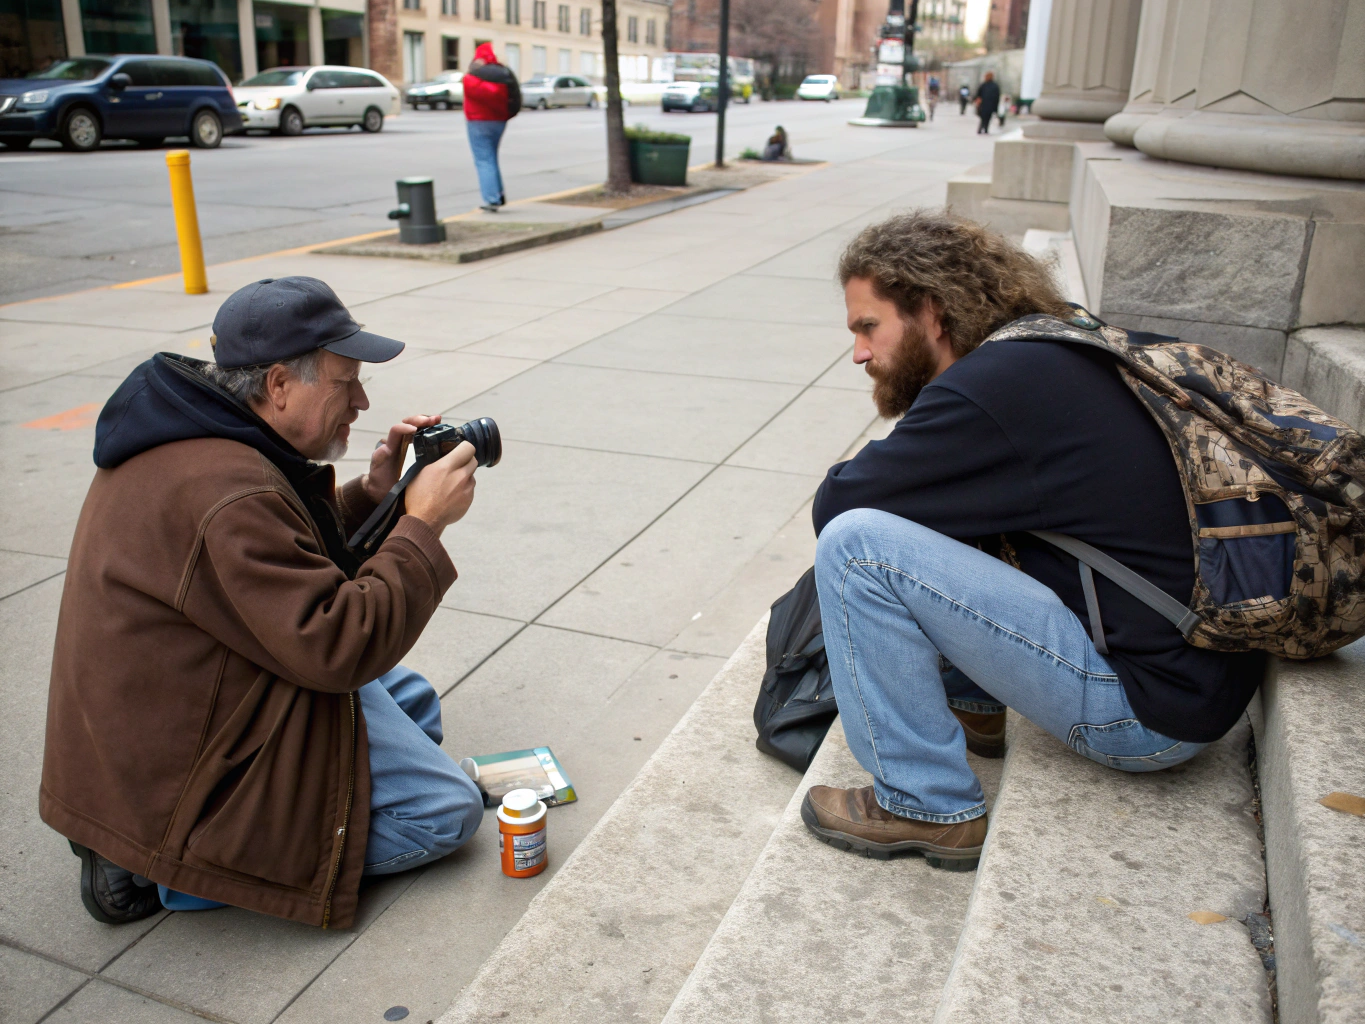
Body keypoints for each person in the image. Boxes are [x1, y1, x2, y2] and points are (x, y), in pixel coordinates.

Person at [799, 212, 1265, 868]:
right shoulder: (1057, 345)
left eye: (868, 326)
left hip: (1146, 715)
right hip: (1193, 677)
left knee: (858, 546)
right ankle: (973, 705)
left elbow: (837, 504)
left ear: (930, 312)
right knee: (940, 508)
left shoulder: (988, 392)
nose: (859, 354)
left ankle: (923, 803)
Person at [42, 276, 486, 927]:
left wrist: (379, 494)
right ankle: (167, 869)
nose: (362, 400)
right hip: (183, 763)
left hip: (191, 702)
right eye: (344, 382)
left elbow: (277, 558)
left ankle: (188, 830)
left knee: (410, 697)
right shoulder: (227, 487)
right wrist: (422, 525)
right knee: (445, 813)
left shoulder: (204, 435)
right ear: (278, 384)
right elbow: (338, 645)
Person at [462, 42, 519, 214]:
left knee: (484, 160)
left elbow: (469, 86)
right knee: (491, 158)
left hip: (477, 122)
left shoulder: (472, 78)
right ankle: (498, 193)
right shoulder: (503, 75)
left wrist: (472, 70)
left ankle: (492, 198)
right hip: (499, 122)